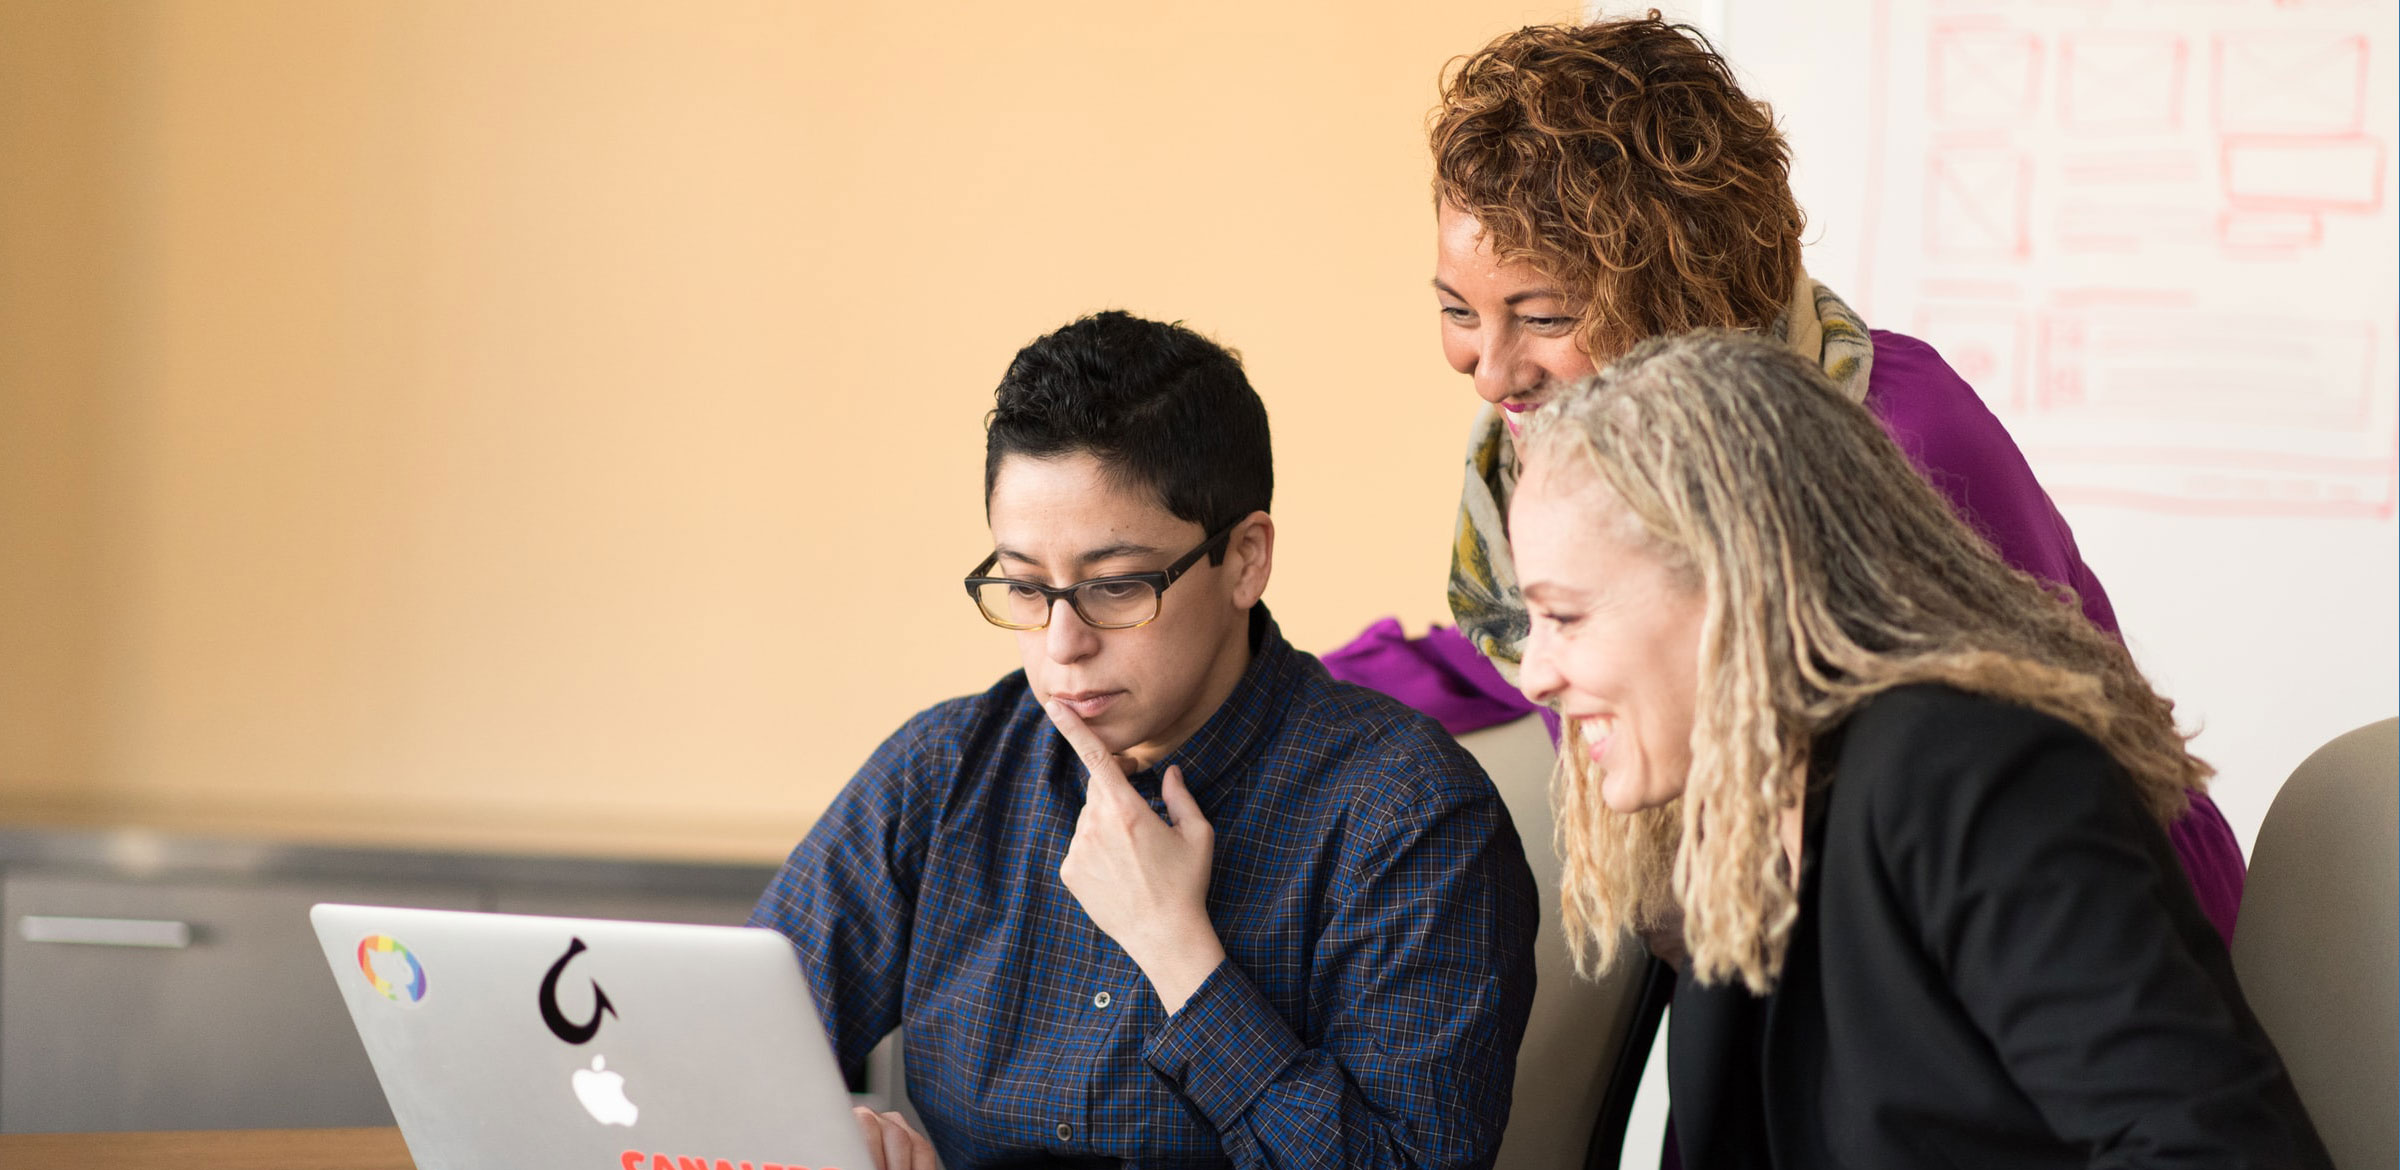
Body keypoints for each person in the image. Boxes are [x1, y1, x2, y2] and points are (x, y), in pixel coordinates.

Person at [1383, 12, 2247, 940]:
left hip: (2073, 935)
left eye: (1544, 317)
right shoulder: (1547, 452)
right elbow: (1514, 639)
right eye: (1456, 309)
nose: (1490, 369)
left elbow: (2032, 777)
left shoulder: (1895, 439)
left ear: (1675, 295)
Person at [1507, 330, 2330, 1168]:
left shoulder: (1974, 778)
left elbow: (2216, 1152)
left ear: (1733, 582)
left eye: (1564, 617)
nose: (1534, 674)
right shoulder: (1745, 822)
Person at [749, 311, 1539, 1170]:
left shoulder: (1409, 818)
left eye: (1115, 587)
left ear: (1245, 558)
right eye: (1023, 587)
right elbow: (729, 1053)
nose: (1062, 646)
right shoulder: (944, 773)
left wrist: (1177, 949)